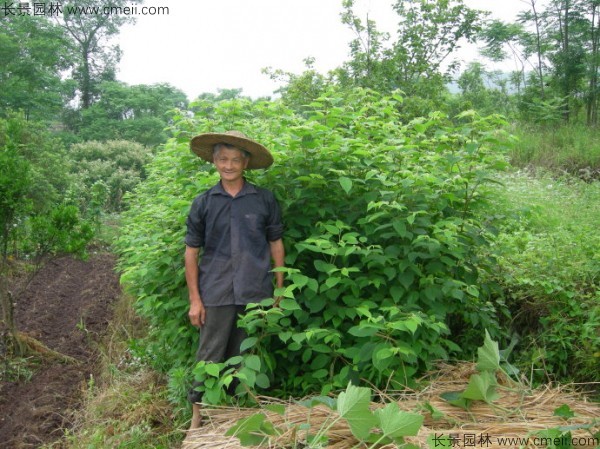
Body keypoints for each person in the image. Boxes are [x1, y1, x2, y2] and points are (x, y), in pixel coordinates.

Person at [184, 130, 285, 430]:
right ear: (214, 162)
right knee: (210, 355)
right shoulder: (203, 203)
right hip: (215, 291)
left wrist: (280, 288)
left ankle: (238, 415)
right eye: (223, 159)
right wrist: (195, 299)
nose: (229, 165)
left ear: (246, 163)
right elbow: (191, 253)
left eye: (235, 160)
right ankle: (198, 416)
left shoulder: (263, 200)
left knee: (245, 354)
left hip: (255, 290)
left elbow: (275, 245)